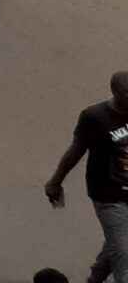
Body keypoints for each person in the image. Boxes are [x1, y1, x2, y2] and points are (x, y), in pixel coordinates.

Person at [47, 69, 128, 282]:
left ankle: (96, 278)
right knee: (125, 252)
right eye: (127, 93)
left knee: (119, 244)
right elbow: (77, 150)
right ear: (114, 91)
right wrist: (56, 181)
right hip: (108, 196)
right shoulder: (95, 117)